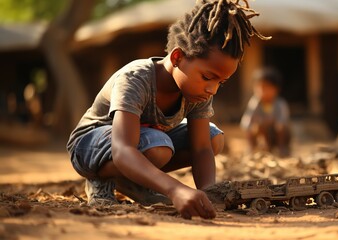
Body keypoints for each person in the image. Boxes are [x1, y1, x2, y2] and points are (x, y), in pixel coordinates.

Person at [66, 0, 271, 220]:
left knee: (213, 139)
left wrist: (208, 194)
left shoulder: (198, 91)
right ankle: (102, 181)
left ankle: (135, 182)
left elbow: (201, 148)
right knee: (158, 147)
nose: (212, 89)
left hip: (143, 145)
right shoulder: (136, 79)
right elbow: (123, 150)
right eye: (208, 77)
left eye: (221, 82)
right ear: (177, 57)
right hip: (90, 147)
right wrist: (175, 189)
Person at [240, 67, 291, 157]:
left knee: (282, 128)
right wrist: (253, 127)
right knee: (254, 127)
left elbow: (282, 122)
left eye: (266, 87)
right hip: (263, 134)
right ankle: (252, 149)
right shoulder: (254, 103)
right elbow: (246, 122)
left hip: (277, 133)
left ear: (276, 89)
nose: (262, 91)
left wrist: (273, 123)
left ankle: (282, 148)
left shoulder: (280, 104)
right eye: (258, 87)